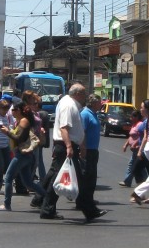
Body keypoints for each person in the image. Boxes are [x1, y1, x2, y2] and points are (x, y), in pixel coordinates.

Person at [39, 83, 102, 221]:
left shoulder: (72, 104)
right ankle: (89, 210)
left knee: (59, 177)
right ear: (77, 94)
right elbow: (64, 128)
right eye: (84, 93)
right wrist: (69, 146)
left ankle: (46, 207)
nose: (86, 96)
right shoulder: (69, 105)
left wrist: (82, 146)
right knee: (74, 179)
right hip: (65, 145)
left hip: (69, 145)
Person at [0, 97, 45, 211]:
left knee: (8, 178)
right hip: (23, 155)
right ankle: (46, 198)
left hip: (22, 155)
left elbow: (19, 138)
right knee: (28, 182)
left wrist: (7, 132)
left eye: (14, 110)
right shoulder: (19, 121)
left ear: (19, 110)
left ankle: (6, 205)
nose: (11, 112)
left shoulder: (24, 121)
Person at [78, 93, 104, 214]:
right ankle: (83, 200)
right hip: (87, 150)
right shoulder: (85, 114)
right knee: (86, 177)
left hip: (94, 149)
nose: (101, 104)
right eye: (99, 102)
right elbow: (81, 132)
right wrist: (82, 148)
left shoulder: (94, 114)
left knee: (91, 176)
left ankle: (88, 199)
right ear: (93, 103)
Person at [119, 109, 146, 188]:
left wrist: (135, 143)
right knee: (140, 166)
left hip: (137, 148)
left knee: (132, 165)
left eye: (132, 117)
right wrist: (126, 145)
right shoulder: (134, 124)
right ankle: (146, 181)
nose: (131, 118)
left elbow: (142, 136)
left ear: (137, 117)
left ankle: (127, 181)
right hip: (134, 149)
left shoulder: (140, 124)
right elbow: (131, 136)